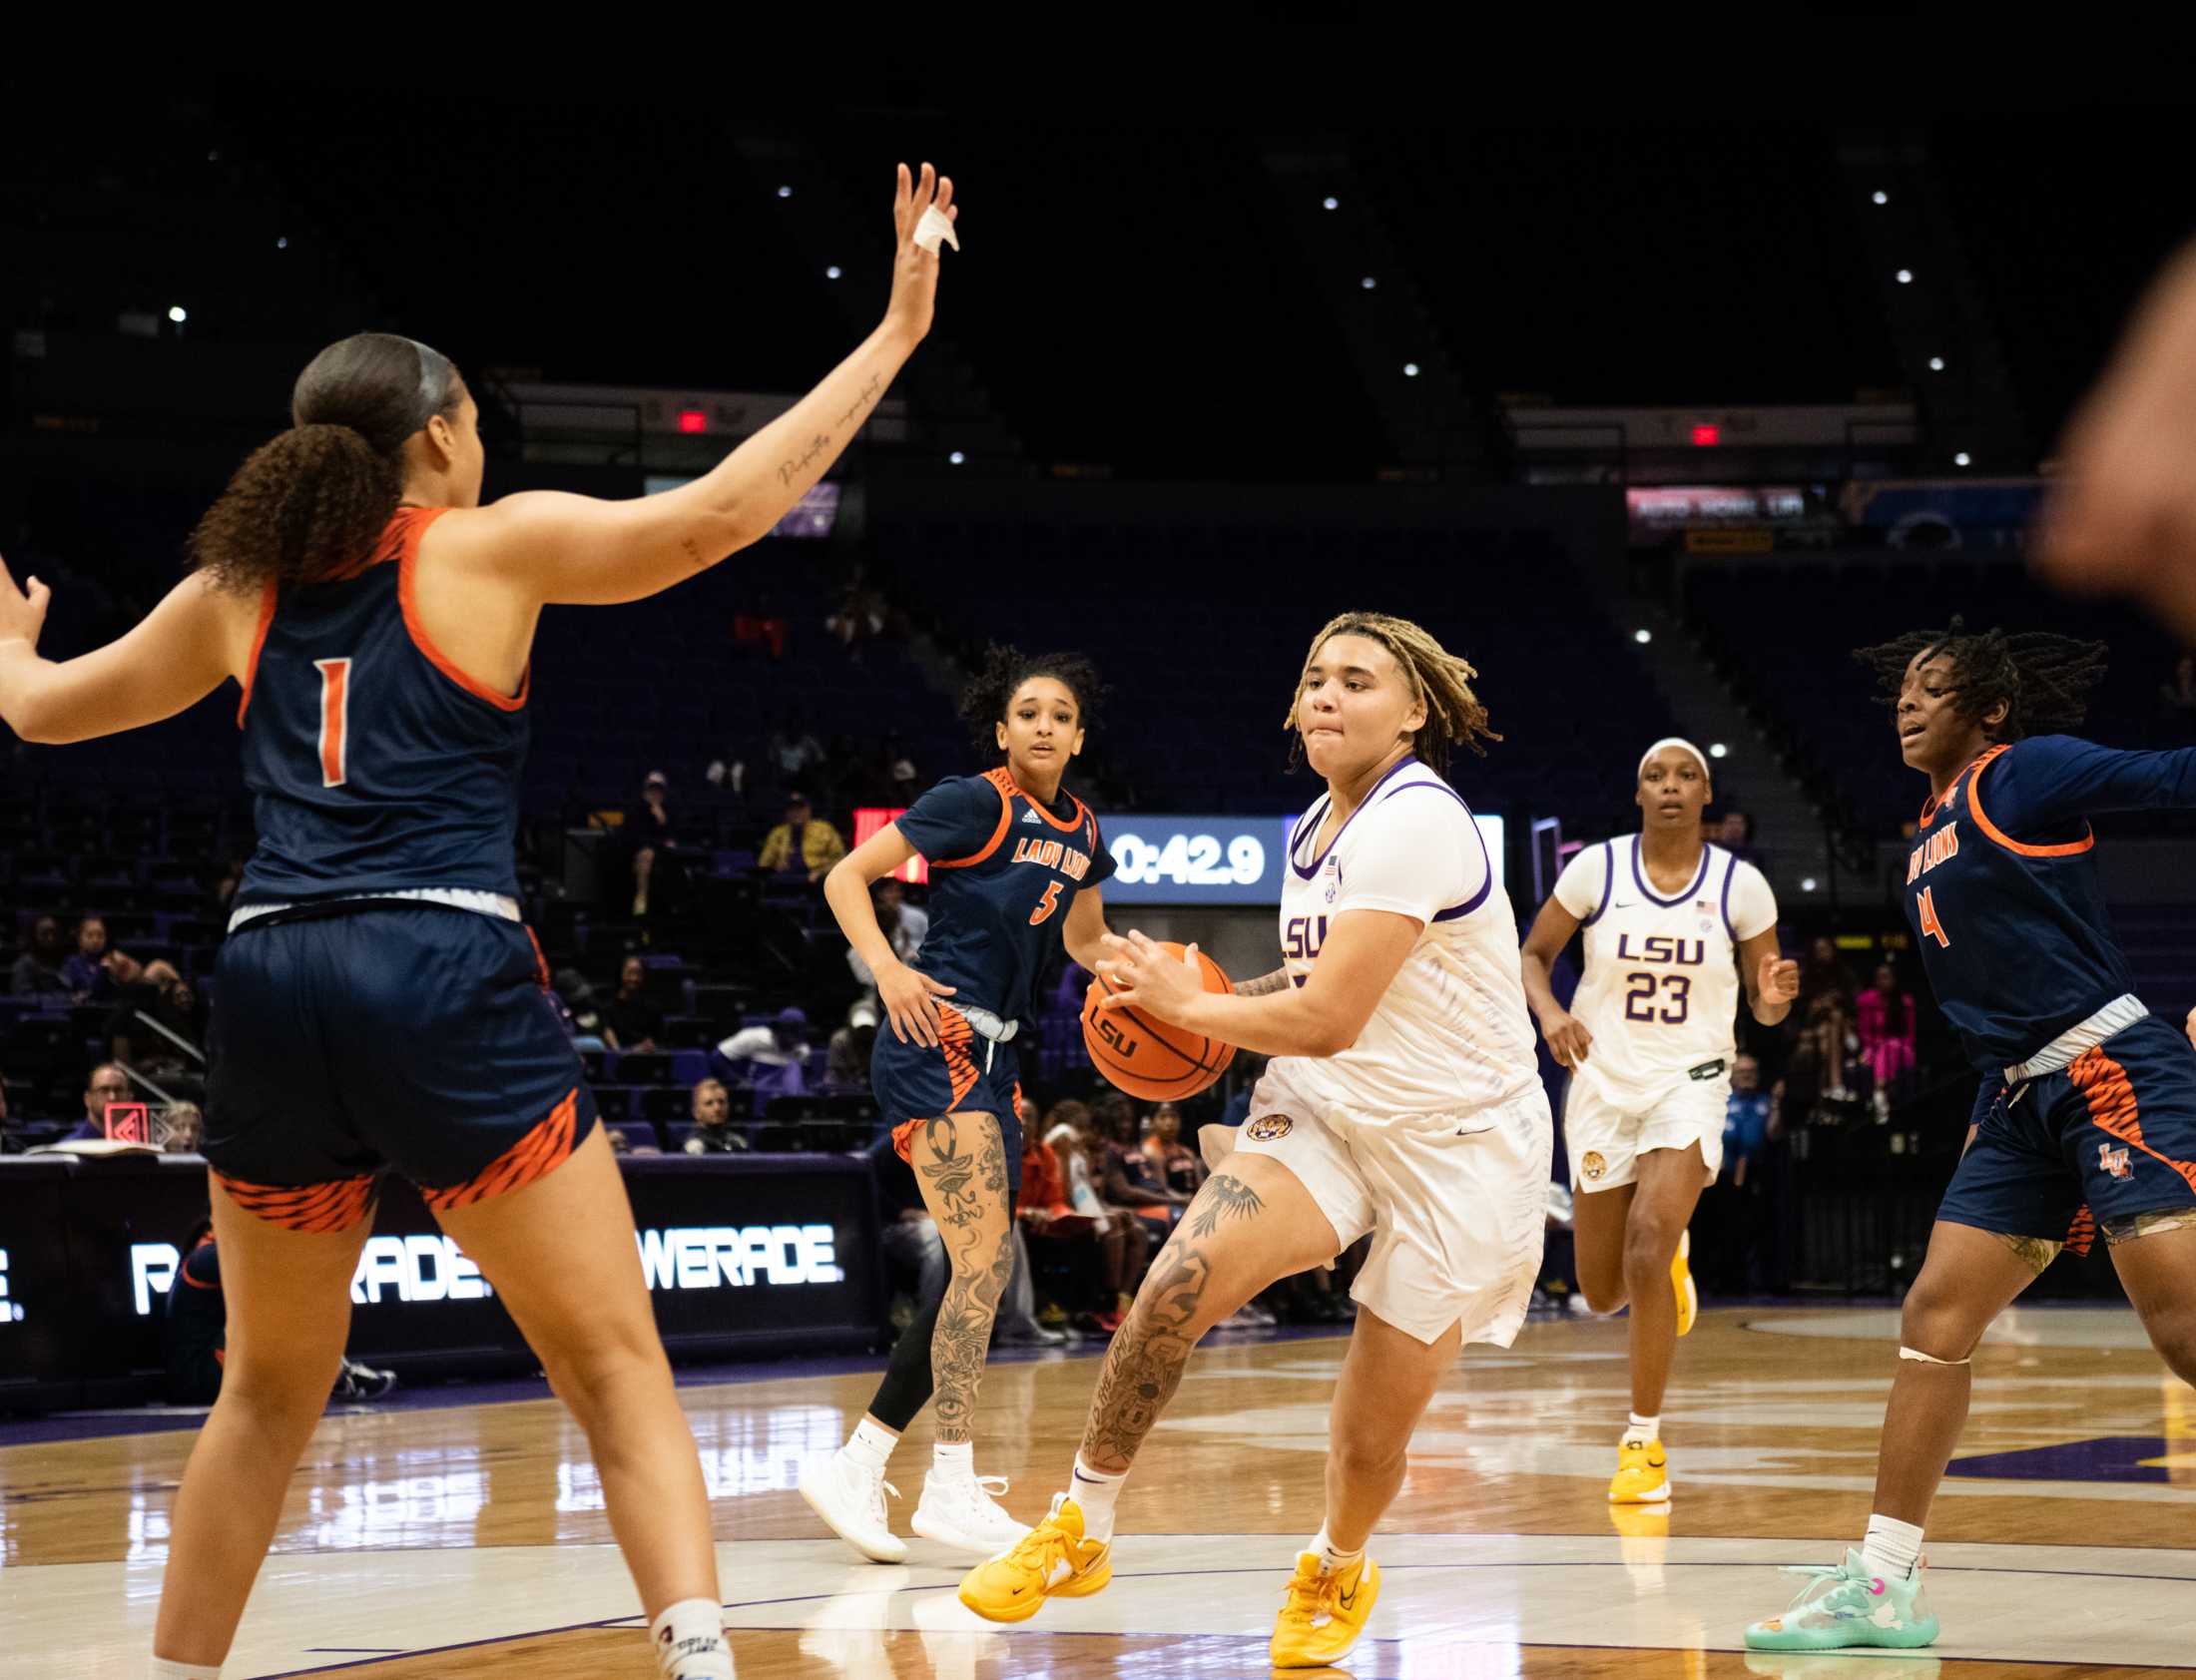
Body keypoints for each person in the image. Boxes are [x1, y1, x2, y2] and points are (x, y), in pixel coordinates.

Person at [0, 157, 955, 1680]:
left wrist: (6, 642)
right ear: (439, 432)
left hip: (271, 977)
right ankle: (703, 1657)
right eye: (476, 427)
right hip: (435, 960)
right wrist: (899, 329)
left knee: (263, 1394)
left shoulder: (231, 588)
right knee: (609, 1356)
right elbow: (723, 512)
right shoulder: (483, 543)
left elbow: (41, 714)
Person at [959, 611, 1551, 1670]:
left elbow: (1328, 1016)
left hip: (1460, 1146)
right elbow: (1310, 994)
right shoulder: (1314, 825)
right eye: (1314, 677)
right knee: (1169, 1288)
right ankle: (1081, 1525)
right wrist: (1200, 987)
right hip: (1328, 1110)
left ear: (1412, 711)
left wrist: (1187, 1015)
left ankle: (1337, 1558)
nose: (1327, 695)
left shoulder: (1416, 821)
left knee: (1368, 1433)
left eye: (1357, 682)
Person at [1743, 620, 2196, 1654]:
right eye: (1901, 688)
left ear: (1986, 709)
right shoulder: (1925, 827)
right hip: (2015, 1101)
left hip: (2109, 1069)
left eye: (1933, 688)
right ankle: (1882, 1587)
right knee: (1933, 1319)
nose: (1906, 703)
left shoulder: (2021, 774)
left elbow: (2173, 777)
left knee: (2182, 1333)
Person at [799, 644, 1119, 1566]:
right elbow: (845, 876)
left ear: (1079, 735)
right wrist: (891, 971)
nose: (1044, 725)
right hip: (935, 1031)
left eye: (1060, 713)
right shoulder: (972, 800)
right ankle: (944, 1480)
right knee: (980, 1262)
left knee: (972, 1272)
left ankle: (860, 1466)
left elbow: (1089, 939)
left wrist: (1149, 978)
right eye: (1028, 713)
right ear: (1003, 729)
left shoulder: (1087, 832)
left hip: (998, 1054)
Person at [1518, 738, 1796, 1503]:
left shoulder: (1742, 887)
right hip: (1603, 1081)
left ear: (1707, 796)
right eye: (1655, 776)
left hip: (1691, 1078)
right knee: (1603, 1290)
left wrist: (1775, 992)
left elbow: (1766, 1006)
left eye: (1686, 777)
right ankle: (1668, 1266)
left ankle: (1642, 1443)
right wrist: (1549, 1016)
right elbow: (1533, 956)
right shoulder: (1595, 870)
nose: (1671, 787)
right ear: (1638, 793)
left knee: (1647, 1240)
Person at [715, 1006, 812, 1112]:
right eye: (788, 1035)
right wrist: (736, 1081)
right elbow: (716, 1058)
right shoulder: (753, 1037)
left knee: (793, 1067)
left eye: (797, 1035)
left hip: (785, 1098)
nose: (792, 1042)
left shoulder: (802, 1050)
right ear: (777, 1030)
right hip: (755, 1093)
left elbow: (802, 1081)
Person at [1856, 960, 1919, 1106]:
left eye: (1886, 977)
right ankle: (1886, 1093)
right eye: (1879, 978)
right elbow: (1864, 1032)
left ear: (1894, 979)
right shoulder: (1866, 1000)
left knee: (1891, 1046)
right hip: (1873, 1048)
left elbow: (1909, 1035)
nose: (1882, 981)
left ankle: (1880, 1091)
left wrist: (1894, 1046)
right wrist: (1875, 1046)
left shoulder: (1905, 1002)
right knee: (1886, 1048)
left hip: (1901, 1048)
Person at [757, 791, 846, 883]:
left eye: (800, 808)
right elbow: (764, 864)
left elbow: (841, 860)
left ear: (808, 810)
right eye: (792, 809)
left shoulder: (824, 829)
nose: (796, 813)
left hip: (816, 878)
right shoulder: (777, 833)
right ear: (786, 813)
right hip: (786, 879)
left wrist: (821, 872)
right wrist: (775, 867)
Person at [66, 1062, 138, 1142]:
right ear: (87, 1099)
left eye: (119, 1090)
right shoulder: (69, 1148)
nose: (112, 1097)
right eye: (104, 1090)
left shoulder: (142, 1147)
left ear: (130, 1098)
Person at [1142, 1101, 1203, 1195]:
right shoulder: (1151, 1150)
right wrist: (1187, 1203)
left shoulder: (1186, 1152)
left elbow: (1201, 1186)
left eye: (1174, 1116)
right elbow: (1164, 1190)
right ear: (1152, 1122)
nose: (1169, 1122)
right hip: (1173, 1204)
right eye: (1163, 1117)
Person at [605, 955, 663, 1053]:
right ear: (620, 974)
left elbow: (658, 1039)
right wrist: (629, 1052)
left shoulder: (652, 1008)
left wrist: (649, 1045)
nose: (634, 978)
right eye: (630, 973)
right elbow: (607, 1035)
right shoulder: (608, 1006)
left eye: (638, 974)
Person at [682, 1078, 749, 1154]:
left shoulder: (738, 1143)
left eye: (721, 1102)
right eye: (709, 1103)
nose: (717, 1108)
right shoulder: (693, 1147)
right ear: (696, 1112)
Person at [10, 913, 68, 997]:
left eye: (54, 933)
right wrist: (63, 998)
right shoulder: (24, 965)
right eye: (45, 934)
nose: (51, 938)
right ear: (34, 935)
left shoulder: (64, 961)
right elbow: (24, 998)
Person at [62, 913, 116, 1000]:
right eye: (90, 935)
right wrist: (102, 969)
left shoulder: (113, 960)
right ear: (79, 939)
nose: (95, 940)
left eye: (100, 935)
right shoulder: (71, 963)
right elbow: (87, 990)